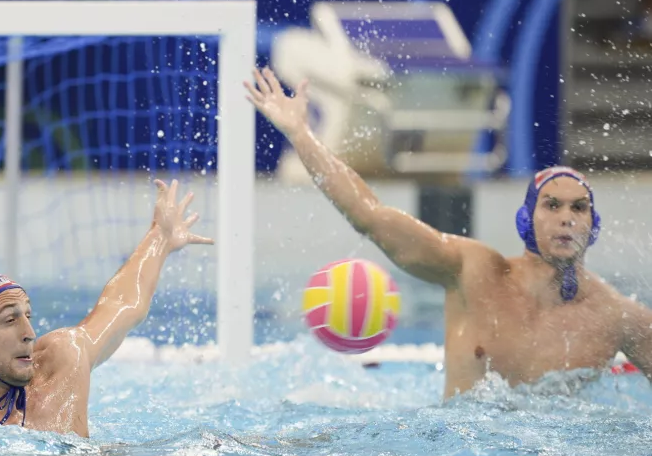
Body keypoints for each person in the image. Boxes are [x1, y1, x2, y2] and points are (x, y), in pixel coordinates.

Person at [244, 66, 652, 398]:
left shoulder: (617, 318)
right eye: (552, 205)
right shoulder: (471, 272)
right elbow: (368, 214)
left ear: (593, 226)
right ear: (526, 219)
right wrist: (301, 134)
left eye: (579, 208)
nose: (567, 217)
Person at [0, 179, 211, 437]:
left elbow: (121, 305)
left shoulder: (61, 364)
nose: (29, 333)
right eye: (10, 320)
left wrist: (159, 238)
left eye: (28, 315)